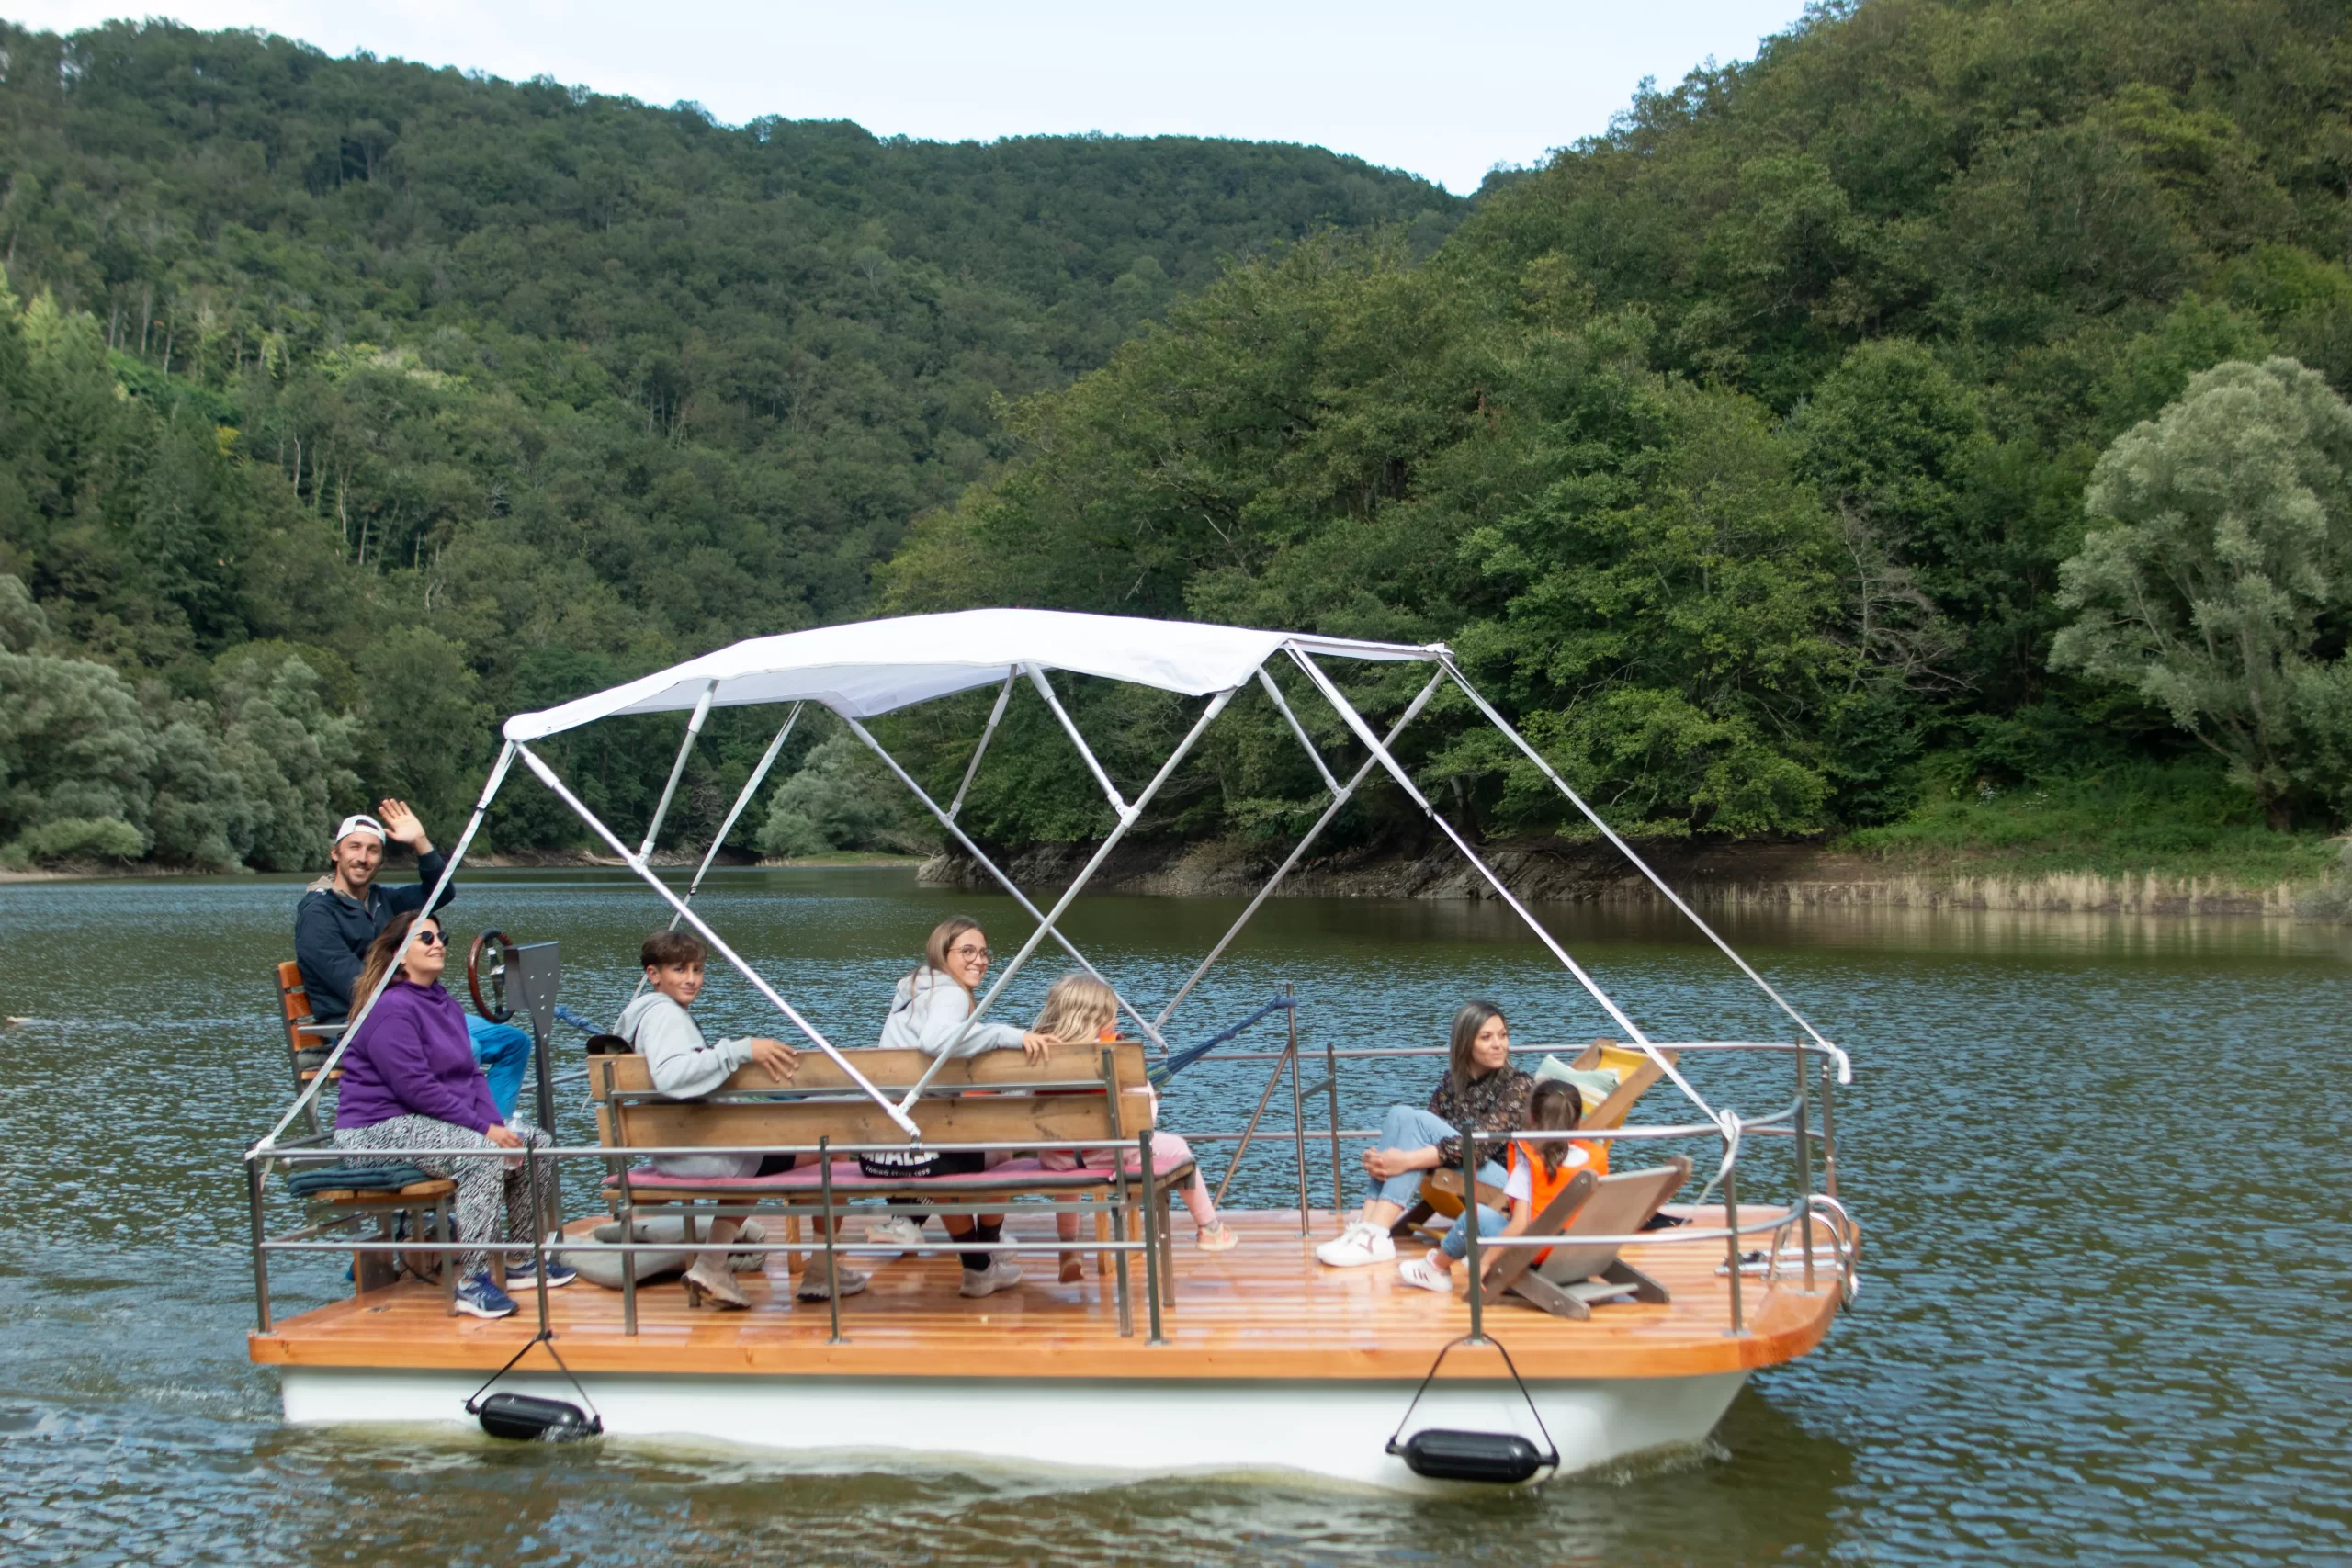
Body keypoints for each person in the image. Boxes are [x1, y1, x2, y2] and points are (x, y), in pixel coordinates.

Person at [612, 931, 867, 1309]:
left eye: (697, 969)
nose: (691, 979)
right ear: (653, 974)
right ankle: (821, 1269)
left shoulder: (640, 1017)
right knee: (832, 1144)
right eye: (679, 969)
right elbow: (669, 1075)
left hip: (674, 1150)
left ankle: (714, 1264)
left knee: (772, 1144)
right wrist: (739, 1050)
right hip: (703, 1155)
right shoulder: (666, 1016)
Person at [331, 910, 567, 1319]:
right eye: (425, 938)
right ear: (400, 956)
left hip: (422, 1125)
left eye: (441, 937)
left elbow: (471, 1075)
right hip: (373, 1131)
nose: (437, 943)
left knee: (535, 1145)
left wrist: (496, 1124)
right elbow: (415, 1088)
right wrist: (481, 1132)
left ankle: (522, 1258)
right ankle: (473, 1282)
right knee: (481, 1156)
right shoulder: (390, 1009)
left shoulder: (444, 1003)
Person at [294, 802, 534, 1122]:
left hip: (415, 1012)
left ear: (380, 859)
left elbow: (441, 893)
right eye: (354, 848)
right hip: (358, 1024)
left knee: (514, 1043)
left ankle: (491, 1135)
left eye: (373, 851)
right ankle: (457, 1140)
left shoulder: (382, 901)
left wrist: (420, 841)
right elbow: (357, 987)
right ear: (335, 854)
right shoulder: (318, 914)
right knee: (467, 1048)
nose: (363, 858)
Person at [864, 916, 1059, 1299]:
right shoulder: (949, 992)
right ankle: (981, 1258)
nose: (980, 960)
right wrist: (1009, 1035)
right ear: (943, 953)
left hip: (882, 1151)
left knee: (961, 1142)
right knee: (1001, 1152)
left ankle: (977, 1259)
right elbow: (936, 1042)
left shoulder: (914, 989)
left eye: (984, 952)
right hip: (923, 1153)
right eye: (967, 951)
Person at [1029, 975, 1237, 1283]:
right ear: (1100, 1018)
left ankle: (1069, 1247)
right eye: (1112, 1014)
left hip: (1057, 1158)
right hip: (1108, 1156)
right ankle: (1210, 1228)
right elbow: (1144, 1120)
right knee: (1177, 1146)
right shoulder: (1114, 1055)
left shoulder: (1035, 1053)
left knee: (1069, 1167)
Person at [1315, 1000, 1533, 1269]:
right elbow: (1421, 1130)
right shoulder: (1451, 1082)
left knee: (1414, 1120)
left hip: (1506, 1182)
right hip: (1461, 1166)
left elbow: (1477, 1149)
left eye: (1503, 1035)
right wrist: (1379, 1159)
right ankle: (1366, 1228)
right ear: (1465, 1043)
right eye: (1486, 1037)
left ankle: (1375, 1236)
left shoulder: (1518, 1084)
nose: (1499, 1044)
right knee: (1400, 1114)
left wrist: (1404, 1161)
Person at [1396, 1077, 1604, 1292]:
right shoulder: (1593, 1160)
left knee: (1475, 1217)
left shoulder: (1529, 1165)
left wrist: (1485, 1263)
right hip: (1580, 1253)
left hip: (1535, 1256)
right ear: (1578, 1122)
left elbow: (1519, 1226)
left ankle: (1435, 1268)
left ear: (1531, 1118)